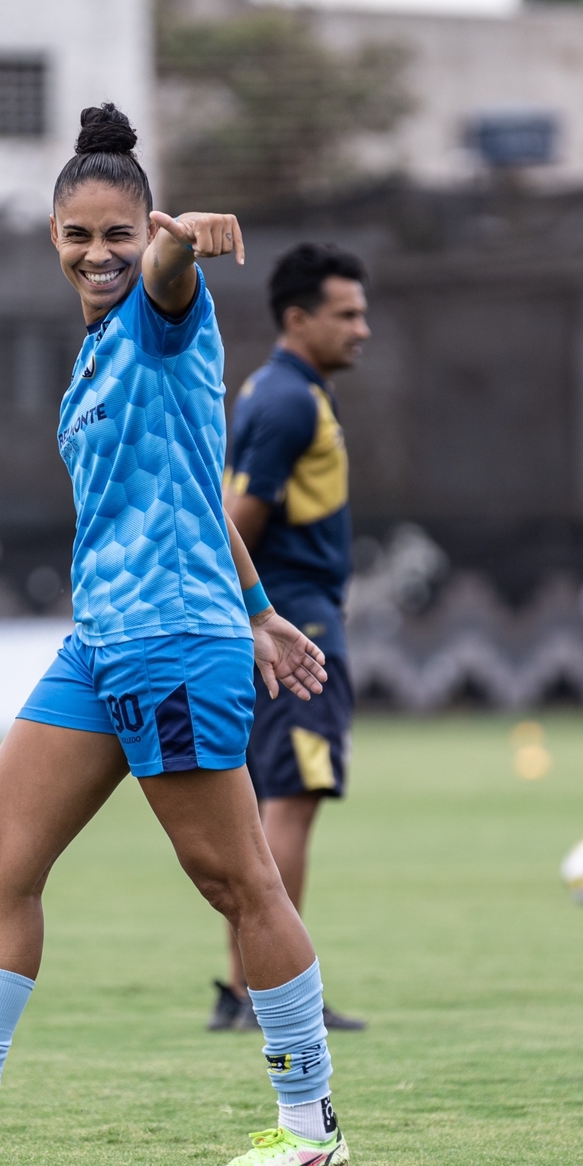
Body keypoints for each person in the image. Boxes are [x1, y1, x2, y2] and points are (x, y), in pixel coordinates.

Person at [0, 104, 350, 1166]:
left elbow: (166, 276)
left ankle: (309, 1128)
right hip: (106, 642)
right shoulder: (97, 353)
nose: (100, 254)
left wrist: (175, 241)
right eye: (80, 236)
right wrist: (256, 608)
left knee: (238, 883)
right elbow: (194, 493)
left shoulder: (163, 311)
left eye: (119, 232)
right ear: (52, 241)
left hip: (167, 645)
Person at [209, 244, 370, 1034]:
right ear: (298, 318)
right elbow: (238, 519)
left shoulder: (280, 390)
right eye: (347, 314)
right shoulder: (288, 402)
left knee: (272, 804)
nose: (362, 329)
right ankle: (260, 996)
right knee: (291, 803)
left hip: (287, 621)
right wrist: (251, 615)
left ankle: (249, 992)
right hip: (296, 629)